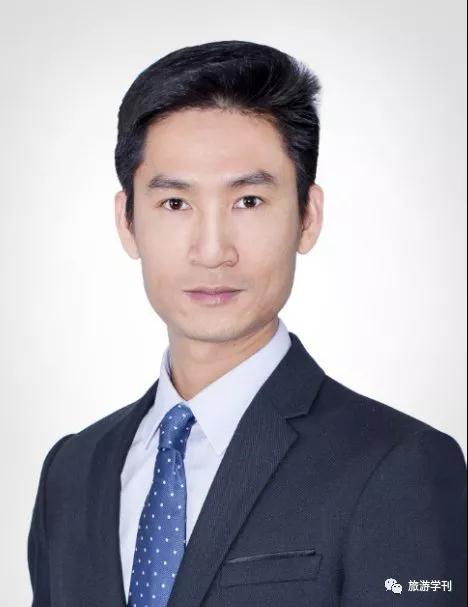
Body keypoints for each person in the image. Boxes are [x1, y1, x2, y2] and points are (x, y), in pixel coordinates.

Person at [27, 40, 467, 607]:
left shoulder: (400, 466)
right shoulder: (71, 472)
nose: (213, 250)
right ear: (127, 222)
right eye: (175, 204)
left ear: (308, 217)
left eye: (250, 201)